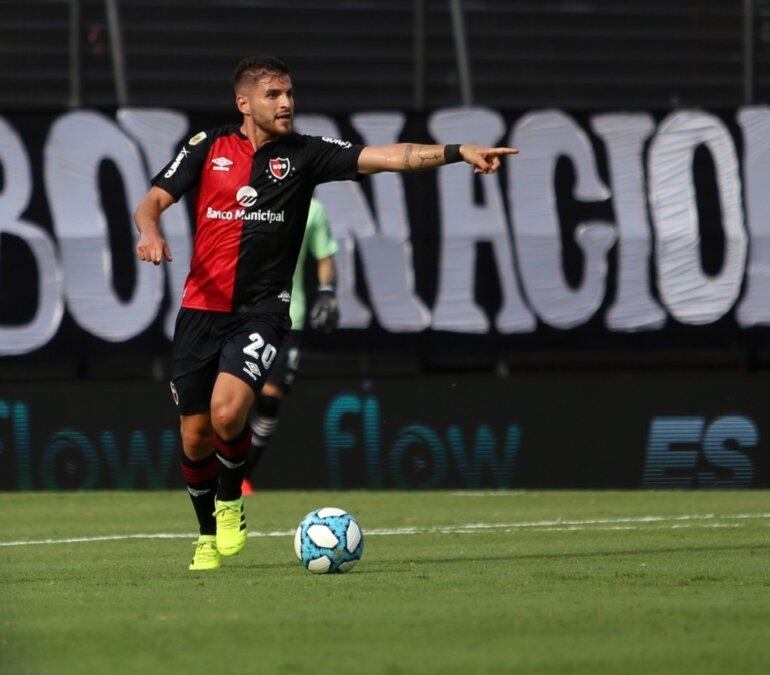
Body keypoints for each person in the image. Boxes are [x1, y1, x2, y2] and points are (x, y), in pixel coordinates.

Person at [133, 55, 517, 570]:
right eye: (273, 95)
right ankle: (206, 534)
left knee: (228, 411)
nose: (287, 102)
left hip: (261, 310)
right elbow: (152, 200)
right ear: (243, 103)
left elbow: (391, 156)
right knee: (196, 434)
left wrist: (458, 151)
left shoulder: (306, 155)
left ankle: (230, 504)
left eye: (290, 93)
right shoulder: (208, 148)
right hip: (200, 308)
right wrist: (150, 231)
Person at [242, 197, 339, 495]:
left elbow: (324, 255)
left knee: (270, 396)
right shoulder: (244, 197)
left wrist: (326, 292)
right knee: (231, 401)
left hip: (287, 316)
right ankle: (223, 469)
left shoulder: (312, 208)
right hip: (237, 313)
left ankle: (242, 475)